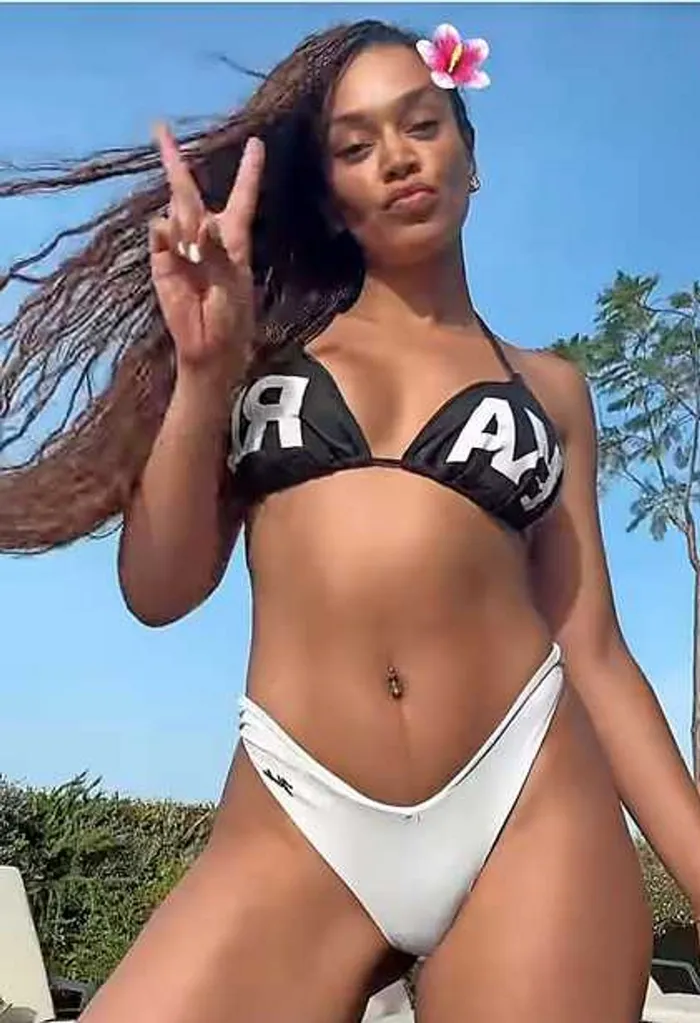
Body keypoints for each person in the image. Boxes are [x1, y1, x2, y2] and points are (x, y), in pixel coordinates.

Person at [2, 16, 700, 1023]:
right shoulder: (255, 354)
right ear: (329, 194)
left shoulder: (550, 388)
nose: (397, 159)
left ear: (469, 155)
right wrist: (203, 371)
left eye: (421, 125)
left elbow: (592, 649)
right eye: (356, 145)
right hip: (299, 812)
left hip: (528, 798)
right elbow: (158, 590)